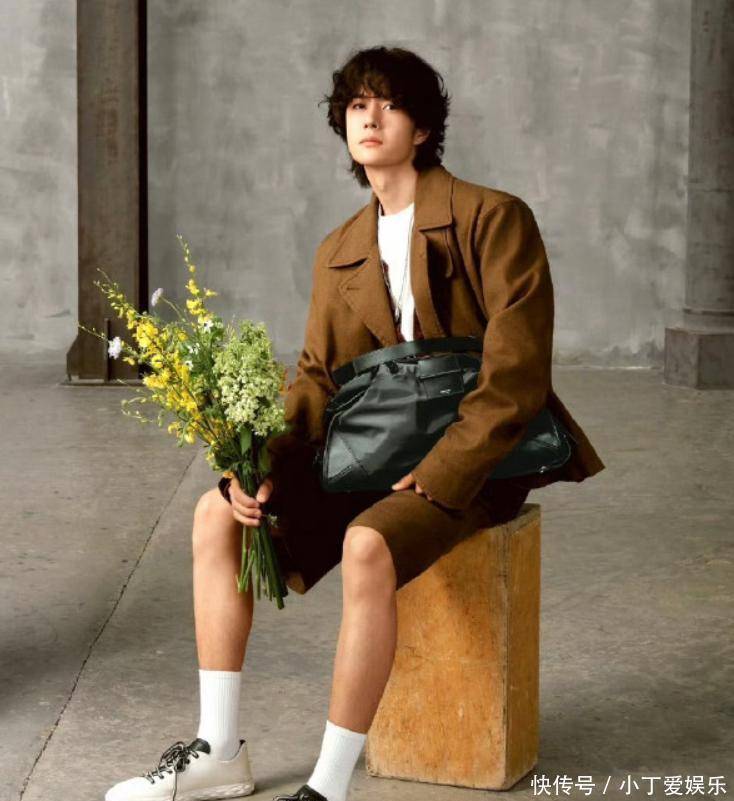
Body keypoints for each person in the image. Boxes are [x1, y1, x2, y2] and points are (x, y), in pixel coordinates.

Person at [105, 45, 604, 801]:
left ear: (424, 128)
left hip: (476, 460)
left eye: (390, 104)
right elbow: (316, 379)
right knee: (217, 513)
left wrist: (441, 472)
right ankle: (219, 751)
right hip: (374, 450)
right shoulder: (340, 249)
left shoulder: (493, 218)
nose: (370, 118)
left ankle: (326, 787)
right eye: (357, 105)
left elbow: (518, 375)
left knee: (367, 543)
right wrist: (258, 464)